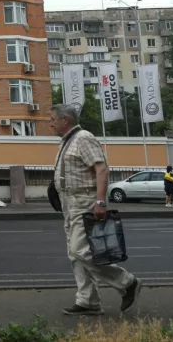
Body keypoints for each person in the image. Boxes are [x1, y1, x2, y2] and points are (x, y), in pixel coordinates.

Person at [49, 104, 141, 316]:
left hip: (83, 201)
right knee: (75, 255)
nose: (50, 123)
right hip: (70, 202)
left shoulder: (83, 138)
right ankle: (87, 301)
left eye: (53, 119)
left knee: (79, 250)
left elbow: (101, 168)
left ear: (65, 120)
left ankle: (127, 283)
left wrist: (100, 201)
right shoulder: (67, 141)